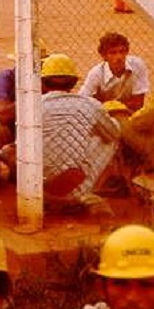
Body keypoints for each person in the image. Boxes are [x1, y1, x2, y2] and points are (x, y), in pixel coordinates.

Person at [41, 53, 121, 208]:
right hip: (75, 188)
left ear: (43, 82)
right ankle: (93, 188)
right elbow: (113, 134)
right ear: (74, 82)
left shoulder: (32, 106)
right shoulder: (90, 104)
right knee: (112, 132)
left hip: (35, 186)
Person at [79, 32, 150, 113]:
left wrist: (105, 105)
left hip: (128, 114)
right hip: (104, 115)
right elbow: (82, 100)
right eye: (113, 53)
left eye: (122, 51)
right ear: (104, 56)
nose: (119, 57)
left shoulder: (137, 65)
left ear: (127, 52)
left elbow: (138, 103)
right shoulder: (96, 73)